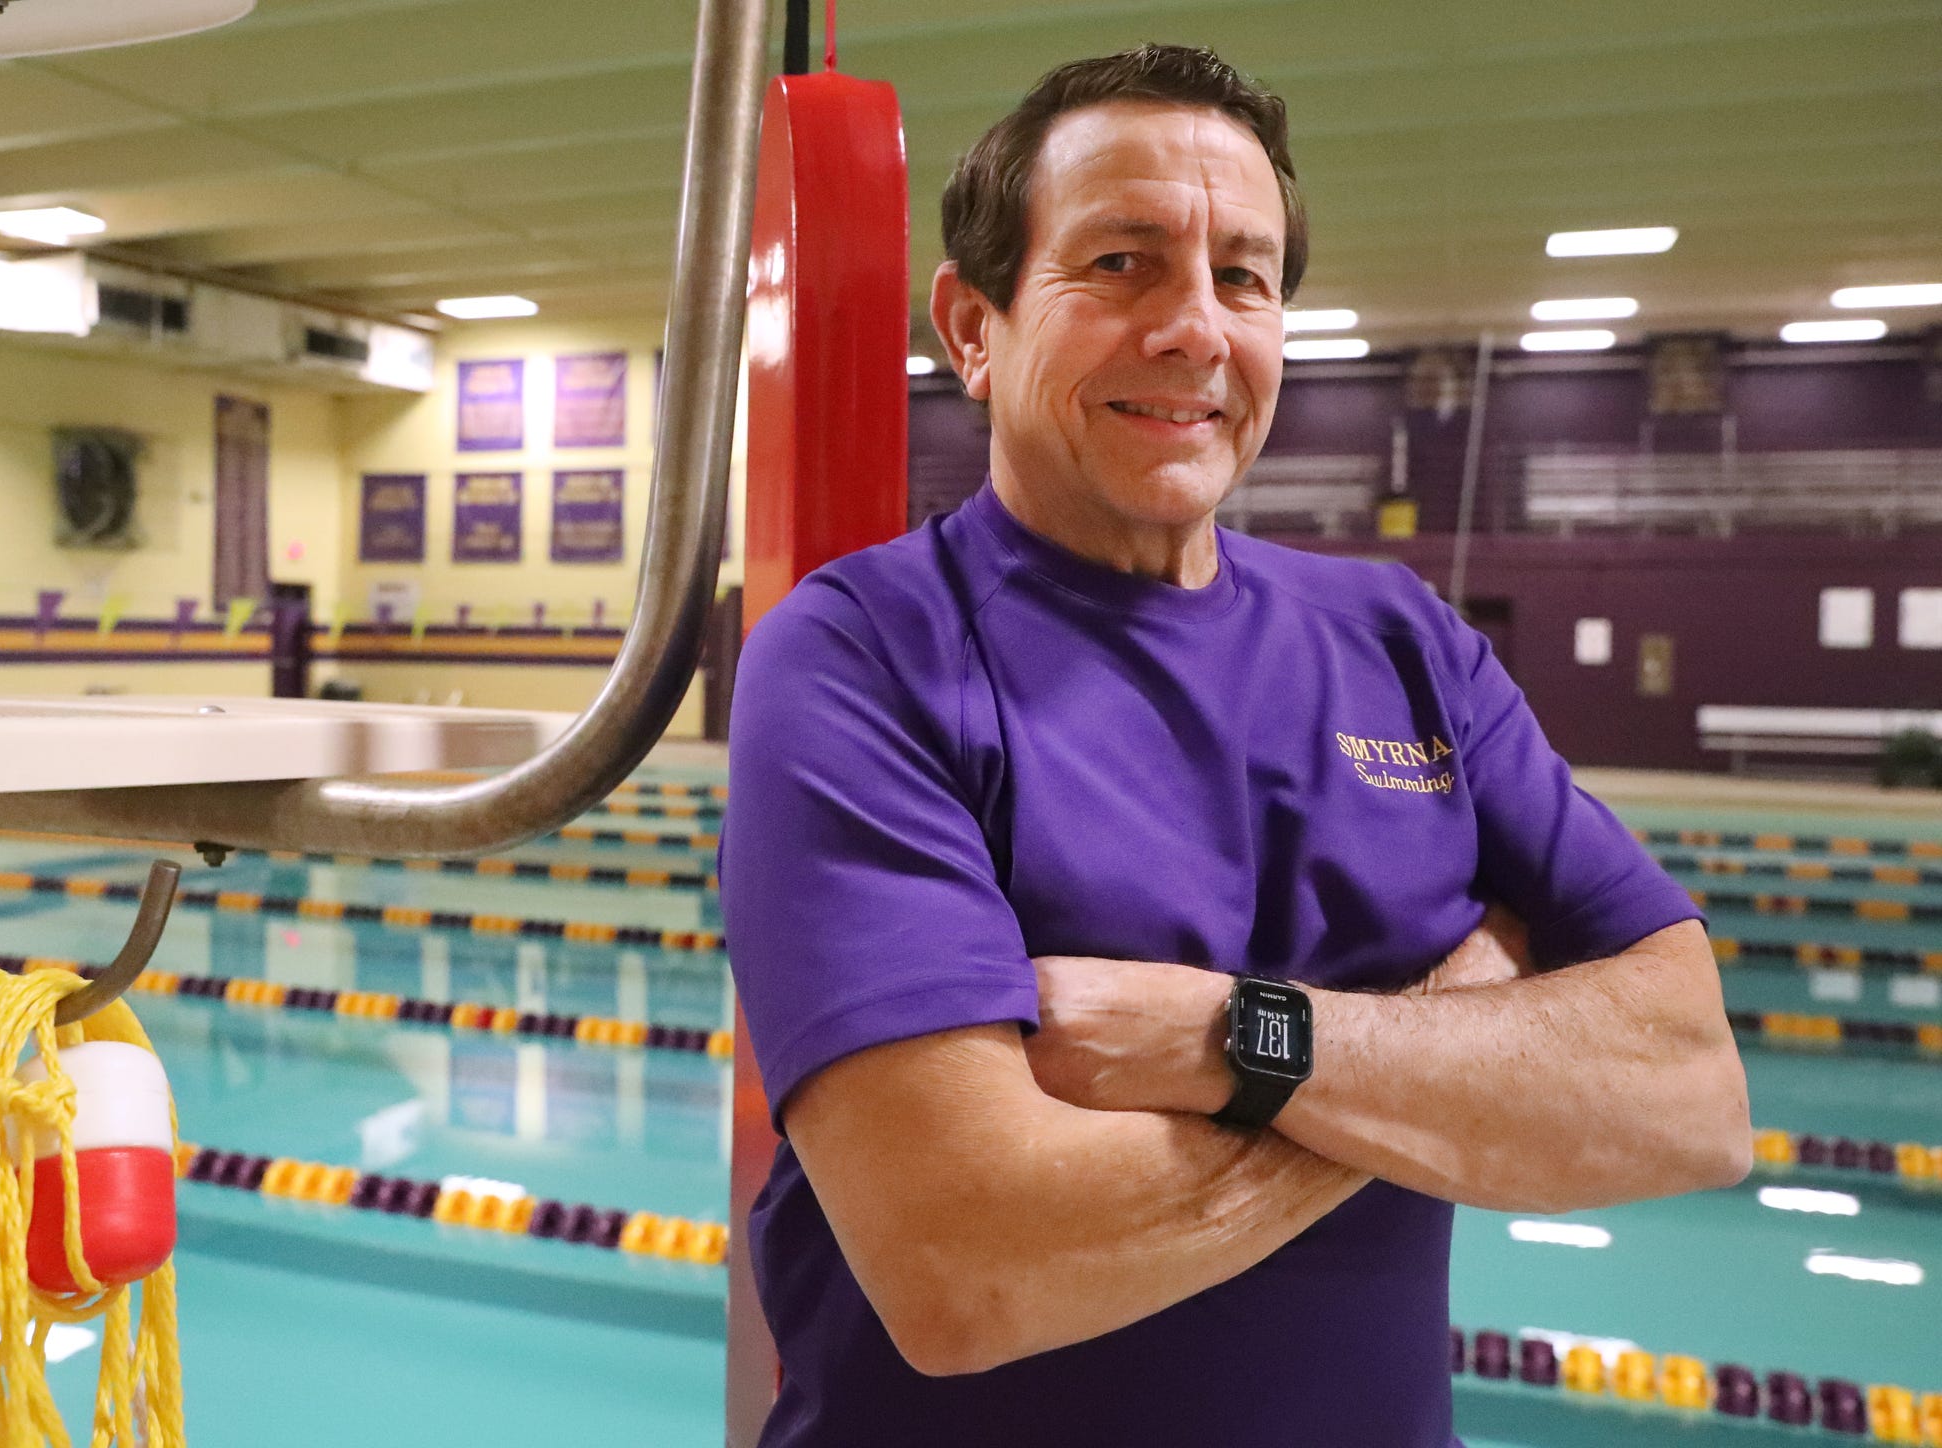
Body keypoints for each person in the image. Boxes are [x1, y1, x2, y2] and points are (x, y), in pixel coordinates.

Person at [718, 42, 1751, 1448]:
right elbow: (966, 1264)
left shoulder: (1406, 646)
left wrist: (1232, 1042)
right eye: (1123, 264)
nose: (1195, 328)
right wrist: (1449, 1056)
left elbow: (1691, 1095)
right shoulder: (865, 653)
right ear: (973, 325)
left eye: (1244, 276)